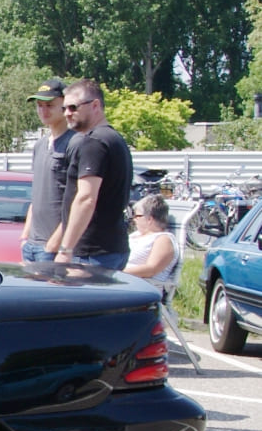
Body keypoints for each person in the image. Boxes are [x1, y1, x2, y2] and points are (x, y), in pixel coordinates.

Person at [52, 79, 132, 270]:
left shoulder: (94, 142)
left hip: (91, 253)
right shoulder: (114, 139)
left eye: (73, 107)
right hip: (111, 248)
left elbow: (86, 198)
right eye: (64, 108)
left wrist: (65, 250)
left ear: (95, 105)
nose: (67, 114)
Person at [20, 78, 73, 262]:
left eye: (49, 105)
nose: (43, 110)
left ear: (64, 106)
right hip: (31, 245)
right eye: (39, 105)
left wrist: (55, 244)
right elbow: (36, 195)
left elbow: (77, 201)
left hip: (53, 248)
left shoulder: (75, 143)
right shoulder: (40, 145)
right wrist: (25, 236)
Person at [125, 195, 181, 295]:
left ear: (149, 219)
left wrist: (117, 273)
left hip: (141, 289)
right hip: (123, 283)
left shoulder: (163, 239)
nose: (134, 219)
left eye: (137, 216)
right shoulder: (136, 235)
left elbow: (151, 269)